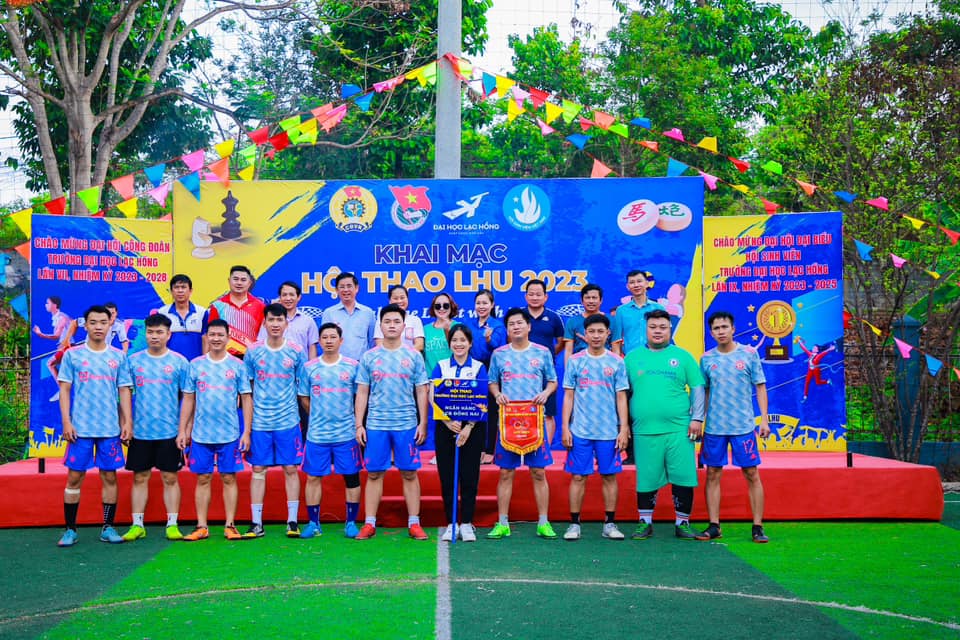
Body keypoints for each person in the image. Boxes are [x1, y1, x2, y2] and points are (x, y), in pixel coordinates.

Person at [624, 309, 707, 541]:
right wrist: (623, 425)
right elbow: (621, 394)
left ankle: (683, 523)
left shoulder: (683, 357)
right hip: (644, 430)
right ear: (646, 329)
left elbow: (698, 388)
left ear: (670, 329)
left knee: (683, 476)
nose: (658, 331)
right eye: (653, 327)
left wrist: (697, 418)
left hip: (679, 429)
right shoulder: (631, 358)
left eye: (662, 327)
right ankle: (645, 522)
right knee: (646, 477)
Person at [55, 305, 133, 547]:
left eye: (103, 322)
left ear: (110, 325)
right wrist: (67, 421)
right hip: (81, 429)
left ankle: (108, 527)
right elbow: (64, 389)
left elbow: (124, 390)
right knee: (74, 477)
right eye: (93, 322)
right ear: (85, 325)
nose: (98, 326)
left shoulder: (118, 356)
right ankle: (70, 530)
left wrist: (127, 422)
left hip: (109, 429)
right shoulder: (72, 355)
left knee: (109, 476)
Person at [354, 304, 430, 540]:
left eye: (396, 321)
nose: (392, 325)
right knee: (374, 474)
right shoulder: (369, 357)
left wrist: (423, 423)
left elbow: (422, 390)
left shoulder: (413, 355)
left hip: (406, 424)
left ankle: (414, 523)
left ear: (404, 326)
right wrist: (359, 424)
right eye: (387, 321)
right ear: (381, 325)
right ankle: (369, 523)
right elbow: (362, 392)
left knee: (409, 473)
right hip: (376, 424)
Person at [177, 319, 253, 541]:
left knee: (229, 478)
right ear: (207, 337)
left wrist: (246, 431)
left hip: (229, 434)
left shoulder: (238, 366)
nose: (216, 338)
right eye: (212, 335)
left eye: (221, 335)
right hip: (201, 434)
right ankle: (201, 526)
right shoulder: (196, 365)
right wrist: (183, 430)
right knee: (203, 478)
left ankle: (230, 525)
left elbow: (246, 399)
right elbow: (188, 399)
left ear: (228, 337)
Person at [487, 307, 559, 540]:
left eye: (520, 323)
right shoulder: (499, 354)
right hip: (508, 421)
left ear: (529, 326)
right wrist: (497, 394)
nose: (516, 327)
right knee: (505, 472)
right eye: (511, 324)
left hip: (534, 421)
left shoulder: (542, 352)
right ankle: (502, 523)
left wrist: (545, 393)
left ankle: (544, 522)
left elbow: (552, 381)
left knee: (538, 472)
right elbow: (492, 382)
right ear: (507, 329)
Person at [699, 312, 770, 543]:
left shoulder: (749, 354)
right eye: (716, 328)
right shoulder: (706, 359)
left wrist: (764, 420)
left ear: (733, 329)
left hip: (743, 426)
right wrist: (699, 419)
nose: (721, 331)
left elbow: (760, 387)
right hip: (715, 427)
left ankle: (757, 527)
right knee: (712, 473)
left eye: (724, 327)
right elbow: (705, 392)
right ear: (711, 332)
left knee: (751, 473)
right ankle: (714, 525)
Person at [121, 313, 190, 542]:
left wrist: (184, 430)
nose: (154, 336)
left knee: (170, 477)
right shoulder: (133, 362)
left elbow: (189, 398)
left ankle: (172, 524)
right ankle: (137, 525)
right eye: (150, 332)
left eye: (159, 332)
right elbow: (124, 393)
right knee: (140, 477)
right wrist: (127, 423)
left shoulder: (179, 362)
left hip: (169, 432)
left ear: (168, 335)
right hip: (141, 432)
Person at [560, 314, 629, 541]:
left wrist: (623, 428)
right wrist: (565, 427)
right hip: (580, 430)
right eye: (592, 332)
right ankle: (574, 524)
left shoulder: (617, 362)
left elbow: (621, 397)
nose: (596, 336)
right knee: (578, 477)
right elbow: (568, 396)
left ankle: (610, 524)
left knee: (609, 476)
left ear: (608, 334)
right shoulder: (575, 361)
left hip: (609, 431)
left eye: (601, 331)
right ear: (585, 335)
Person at [243, 303, 307, 539]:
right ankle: (256, 523)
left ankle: (292, 521)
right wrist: (248, 427)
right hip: (260, 422)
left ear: (286, 323)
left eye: (280, 320)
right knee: (258, 469)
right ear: (264, 323)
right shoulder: (253, 352)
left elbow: (302, 387)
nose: (275, 324)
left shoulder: (296, 351)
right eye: (271, 320)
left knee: (290, 468)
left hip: (288, 421)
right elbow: (248, 389)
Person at [298, 323, 363, 539]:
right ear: (319, 341)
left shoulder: (352, 366)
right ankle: (313, 523)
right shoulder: (309, 367)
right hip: (317, 434)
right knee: (313, 478)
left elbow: (360, 396)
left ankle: (351, 522)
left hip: (346, 434)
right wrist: (318, 414)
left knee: (351, 478)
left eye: (333, 337)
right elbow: (304, 397)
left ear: (340, 341)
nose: (328, 341)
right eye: (324, 337)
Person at [431, 324, 487, 542]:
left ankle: (466, 523)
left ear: (470, 343)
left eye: (463, 340)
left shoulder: (479, 367)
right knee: (447, 477)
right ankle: (451, 523)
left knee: (470, 476)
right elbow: (434, 396)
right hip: (446, 427)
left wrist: (468, 427)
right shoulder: (441, 366)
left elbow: (481, 398)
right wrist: (447, 422)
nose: (459, 344)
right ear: (449, 343)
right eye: (455, 340)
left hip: (472, 429)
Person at [462, 290, 506, 464]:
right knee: (473, 409)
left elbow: (499, 349)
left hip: (491, 369)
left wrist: (489, 340)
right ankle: (474, 447)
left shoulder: (498, 325)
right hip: (471, 369)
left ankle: (488, 450)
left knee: (491, 411)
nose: (481, 306)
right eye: (478, 303)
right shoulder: (468, 324)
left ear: (492, 304)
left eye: (485, 303)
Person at [523, 279, 565, 445]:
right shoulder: (519, 317)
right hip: (521, 372)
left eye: (538, 294)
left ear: (545, 297)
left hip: (546, 373)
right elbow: (510, 339)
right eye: (531, 294)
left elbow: (561, 342)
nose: (535, 297)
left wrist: (547, 357)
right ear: (526, 296)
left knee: (548, 412)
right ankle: (524, 445)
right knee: (523, 410)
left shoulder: (554, 318)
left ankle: (544, 450)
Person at [207, 265, 265, 358]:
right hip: (225, 357)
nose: (239, 283)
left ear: (249, 283)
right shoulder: (218, 306)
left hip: (250, 357)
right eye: (236, 279)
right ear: (229, 281)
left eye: (243, 280)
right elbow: (211, 334)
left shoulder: (259, 306)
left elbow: (263, 335)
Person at [320, 272, 376, 361]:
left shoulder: (368, 313)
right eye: (342, 287)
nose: (346, 290)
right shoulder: (329, 313)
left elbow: (372, 342)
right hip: (337, 364)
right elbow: (325, 341)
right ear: (336, 290)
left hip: (361, 364)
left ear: (356, 288)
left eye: (349, 286)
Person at [257, 281, 318, 360]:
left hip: (300, 366)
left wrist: (312, 366)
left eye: (291, 295)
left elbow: (312, 348)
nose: (288, 298)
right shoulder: (270, 320)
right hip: (274, 365)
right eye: (284, 295)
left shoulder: (308, 321)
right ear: (279, 297)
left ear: (299, 297)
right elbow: (261, 345)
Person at [611, 270, 665, 357]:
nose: (636, 285)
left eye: (639, 281)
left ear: (647, 283)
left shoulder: (659, 308)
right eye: (632, 282)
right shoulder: (621, 311)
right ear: (628, 286)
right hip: (631, 358)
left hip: (655, 357)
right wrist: (617, 361)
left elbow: (665, 335)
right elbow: (616, 340)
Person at [156, 274, 209, 361]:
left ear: (190, 291)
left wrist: (204, 361)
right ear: (171, 291)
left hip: (195, 363)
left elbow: (206, 339)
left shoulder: (202, 312)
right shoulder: (162, 312)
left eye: (183, 287)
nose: (180, 291)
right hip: (170, 364)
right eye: (176, 287)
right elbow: (158, 339)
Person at [33, 295, 72, 402]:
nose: (46, 305)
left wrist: (41, 334)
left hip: (67, 348)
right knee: (57, 366)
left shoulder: (61, 317)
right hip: (63, 348)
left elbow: (57, 336)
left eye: (48, 303)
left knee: (50, 363)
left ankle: (63, 390)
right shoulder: (58, 317)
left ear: (54, 305)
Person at [563, 283, 610, 365]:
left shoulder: (611, 320)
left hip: (606, 366)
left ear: (601, 300)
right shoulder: (572, 321)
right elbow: (568, 350)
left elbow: (616, 348)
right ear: (582, 300)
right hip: (580, 366)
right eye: (587, 298)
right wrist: (568, 370)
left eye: (594, 298)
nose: (591, 301)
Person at [374, 285, 425, 352]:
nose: (399, 301)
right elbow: (379, 344)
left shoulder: (415, 320)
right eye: (395, 298)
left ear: (407, 299)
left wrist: (403, 355)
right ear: (390, 301)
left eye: (402, 298)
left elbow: (419, 345)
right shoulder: (381, 320)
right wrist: (393, 356)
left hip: (409, 357)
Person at [423, 292, 460, 377]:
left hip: (452, 377)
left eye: (446, 305)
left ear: (451, 307)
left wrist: (447, 331)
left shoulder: (458, 327)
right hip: (431, 378)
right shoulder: (425, 329)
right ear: (433, 308)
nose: (442, 309)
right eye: (438, 306)